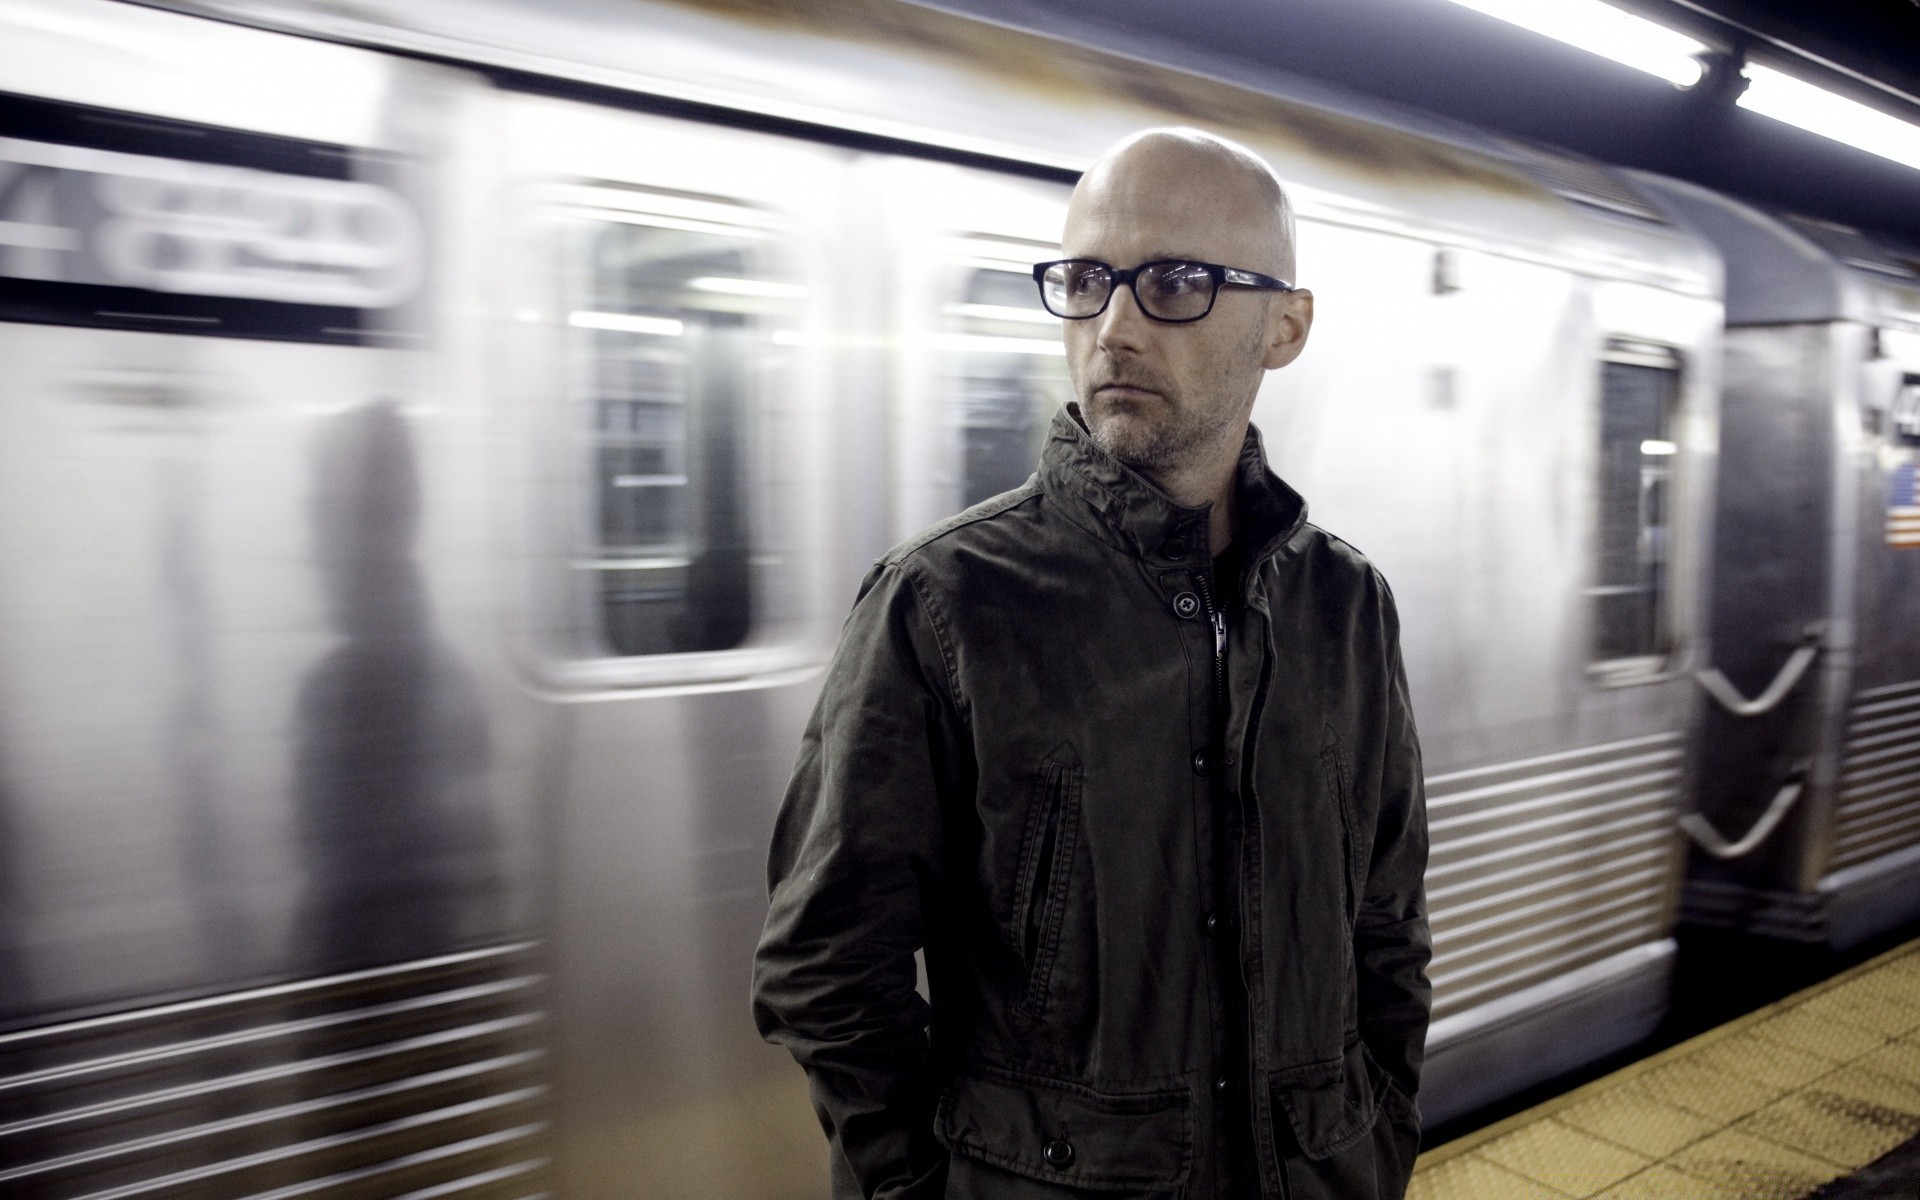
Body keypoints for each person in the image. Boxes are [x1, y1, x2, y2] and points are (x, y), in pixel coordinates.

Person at [752, 127, 1430, 1200]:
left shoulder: (1346, 609)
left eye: (1173, 282)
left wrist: (1376, 1143)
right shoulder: (945, 605)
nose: (1113, 327)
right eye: (1086, 280)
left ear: (1285, 327)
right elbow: (824, 970)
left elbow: (1385, 931)